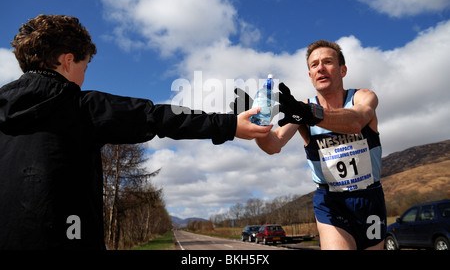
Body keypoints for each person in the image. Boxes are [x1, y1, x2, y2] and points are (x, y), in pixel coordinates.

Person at [0, 14, 272, 250]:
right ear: (68, 61)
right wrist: (230, 125)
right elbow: (157, 117)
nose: (84, 76)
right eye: (84, 66)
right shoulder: (81, 106)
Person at [253, 40, 386, 250]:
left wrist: (312, 115)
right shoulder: (303, 109)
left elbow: (356, 121)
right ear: (310, 75)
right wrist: (257, 125)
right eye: (314, 65)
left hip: (369, 198)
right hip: (330, 201)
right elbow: (273, 144)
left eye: (327, 62)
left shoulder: (362, 96)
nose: (320, 68)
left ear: (343, 70)